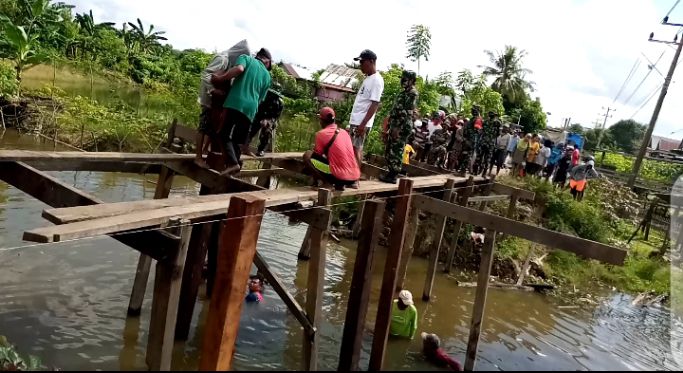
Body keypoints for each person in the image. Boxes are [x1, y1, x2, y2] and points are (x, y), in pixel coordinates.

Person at [213, 47, 273, 175]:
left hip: (235, 102)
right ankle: (234, 169)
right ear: (267, 62)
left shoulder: (246, 59)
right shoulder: (267, 76)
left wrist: (220, 79)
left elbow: (239, 69)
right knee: (238, 141)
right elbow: (261, 99)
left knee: (223, 134)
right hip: (251, 109)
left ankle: (233, 164)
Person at [194, 41, 250, 169]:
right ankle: (198, 157)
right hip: (209, 98)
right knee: (203, 127)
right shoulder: (222, 59)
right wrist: (213, 90)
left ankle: (203, 151)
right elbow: (206, 75)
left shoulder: (230, 63)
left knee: (213, 126)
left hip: (217, 102)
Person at [303, 107, 360, 190]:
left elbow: (316, 155)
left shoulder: (321, 134)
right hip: (353, 178)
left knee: (307, 155)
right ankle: (342, 183)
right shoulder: (344, 132)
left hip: (339, 177)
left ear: (321, 120)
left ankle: (326, 183)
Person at [348, 49, 384, 167]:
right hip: (357, 121)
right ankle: (352, 176)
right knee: (354, 148)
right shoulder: (368, 78)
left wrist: (363, 124)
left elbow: (375, 104)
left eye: (362, 62)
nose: (361, 65)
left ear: (371, 61)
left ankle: (354, 179)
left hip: (361, 122)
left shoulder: (377, 80)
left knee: (355, 149)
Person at [380, 70, 418, 184]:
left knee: (396, 149)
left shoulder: (412, 93)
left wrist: (398, 127)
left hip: (402, 125)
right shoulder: (404, 92)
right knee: (390, 148)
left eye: (405, 79)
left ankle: (393, 174)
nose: (403, 81)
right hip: (396, 124)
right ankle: (391, 172)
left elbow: (406, 112)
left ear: (411, 80)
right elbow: (396, 110)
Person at [245, 85, 284, 157]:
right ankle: (245, 146)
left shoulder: (280, 103)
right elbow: (257, 109)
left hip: (270, 119)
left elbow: (276, 116)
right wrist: (260, 119)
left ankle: (261, 149)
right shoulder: (263, 98)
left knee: (267, 131)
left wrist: (269, 121)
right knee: (251, 129)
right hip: (259, 116)